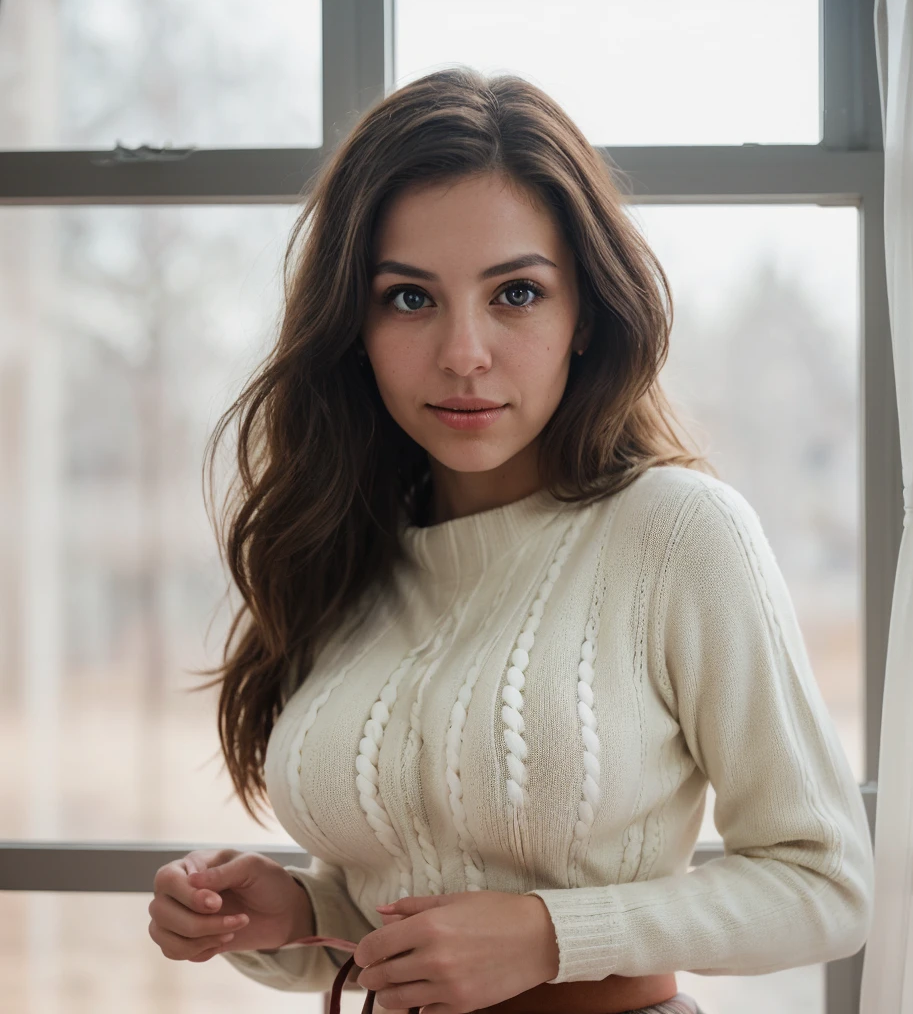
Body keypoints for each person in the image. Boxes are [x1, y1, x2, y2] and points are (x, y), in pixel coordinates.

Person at [147, 65, 874, 1014]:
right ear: (353, 326)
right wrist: (285, 913)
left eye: (517, 293)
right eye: (409, 298)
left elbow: (827, 887)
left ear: (585, 314)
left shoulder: (678, 534)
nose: (463, 352)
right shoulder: (347, 547)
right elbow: (403, 904)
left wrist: (549, 934)